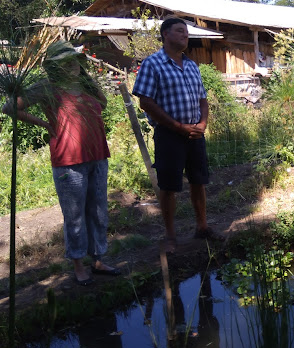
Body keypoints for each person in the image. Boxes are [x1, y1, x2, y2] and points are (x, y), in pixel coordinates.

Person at [2, 41, 119, 285]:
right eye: (65, 62)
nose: (72, 65)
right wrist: (45, 124)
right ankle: (78, 264)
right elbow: (10, 107)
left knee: (98, 210)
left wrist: (89, 81)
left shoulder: (86, 84)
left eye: (74, 60)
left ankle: (97, 259)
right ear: (54, 66)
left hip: (98, 154)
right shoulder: (47, 86)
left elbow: (104, 103)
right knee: (74, 215)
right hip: (68, 159)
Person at [132, 17, 216, 250]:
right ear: (165, 34)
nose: (185, 35)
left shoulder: (192, 65)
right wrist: (178, 127)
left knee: (198, 181)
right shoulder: (153, 64)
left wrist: (203, 124)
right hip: (169, 135)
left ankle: (202, 227)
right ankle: (170, 236)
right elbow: (145, 102)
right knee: (169, 187)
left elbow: (203, 101)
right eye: (180, 31)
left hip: (195, 135)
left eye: (186, 32)